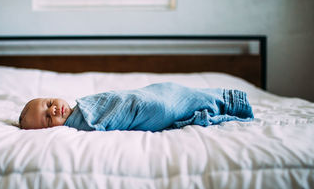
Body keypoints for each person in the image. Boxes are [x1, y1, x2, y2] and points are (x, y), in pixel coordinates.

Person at [19, 82, 254, 131]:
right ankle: (228, 103)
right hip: (151, 107)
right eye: (49, 120)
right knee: (167, 106)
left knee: (172, 90)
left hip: (147, 95)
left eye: (49, 104)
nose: (53, 110)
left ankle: (225, 101)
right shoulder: (79, 122)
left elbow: (119, 97)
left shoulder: (84, 103)